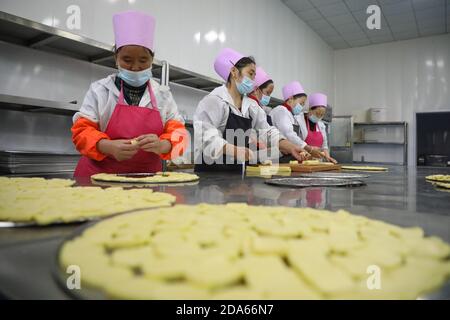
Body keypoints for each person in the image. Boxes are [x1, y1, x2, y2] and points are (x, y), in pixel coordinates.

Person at [71, 11, 187, 177]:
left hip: (147, 182)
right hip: (99, 181)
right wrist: (107, 146)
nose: (135, 67)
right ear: (116, 58)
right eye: (127, 60)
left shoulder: (163, 95)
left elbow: (180, 134)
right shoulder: (100, 90)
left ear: (152, 60)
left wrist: (163, 145)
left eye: (143, 60)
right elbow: (81, 131)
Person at [193, 48, 309, 172]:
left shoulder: (251, 106)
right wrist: (235, 150)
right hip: (210, 174)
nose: (253, 80)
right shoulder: (214, 100)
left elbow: (267, 132)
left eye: (254, 76)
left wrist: (291, 147)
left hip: (235, 175)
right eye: (250, 73)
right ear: (234, 71)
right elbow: (205, 137)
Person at [297, 93, 337, 164]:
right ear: (310, 109)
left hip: (317, 163)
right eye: (317, 114)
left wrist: (328, 158)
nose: (319, 117)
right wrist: (309, 151)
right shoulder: (299, 120)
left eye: (322, 115)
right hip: (302, 161)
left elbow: (324, 146)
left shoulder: (321, 125)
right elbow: (296, 142)